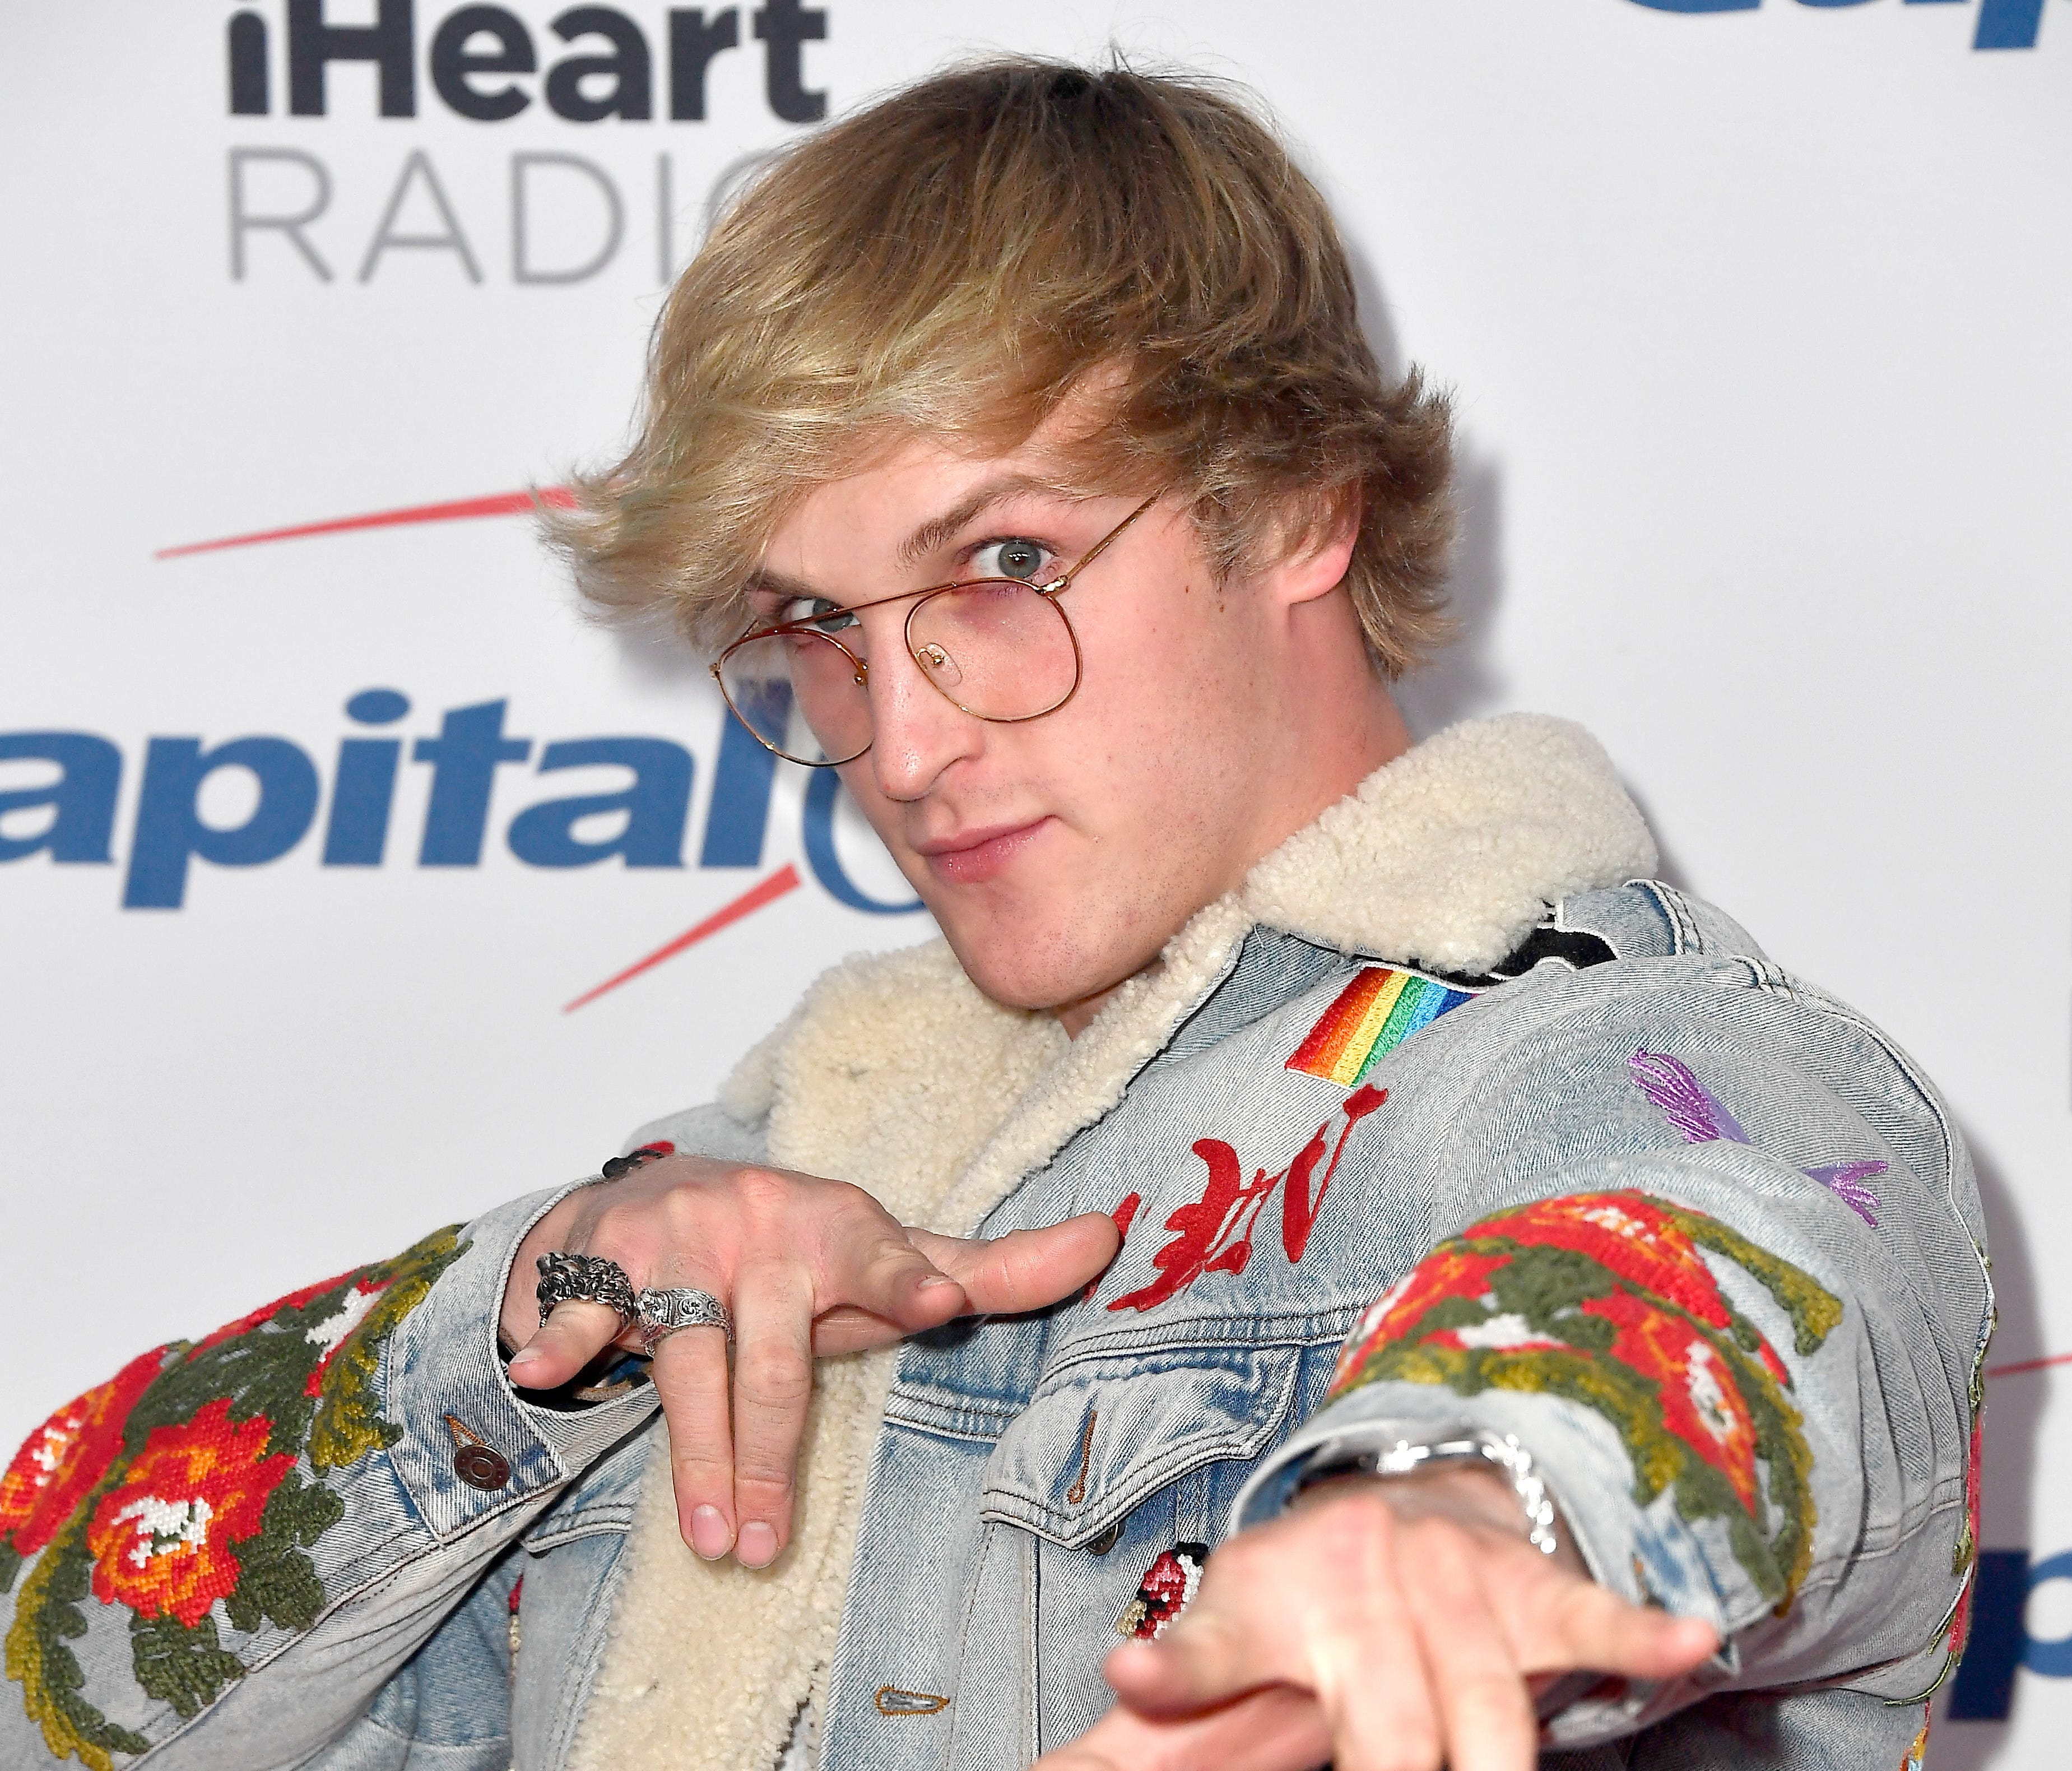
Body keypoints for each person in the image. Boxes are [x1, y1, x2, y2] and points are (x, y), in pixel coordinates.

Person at [1, 59, 1989, 1771]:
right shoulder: (770, 1186)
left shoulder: (1603, 1059)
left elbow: (1726, 1267)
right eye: (815, 625)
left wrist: (1448, 1508)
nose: (904, 736)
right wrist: (528, 1318)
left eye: (1004, 566)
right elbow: (39, 1672)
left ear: (1301, 502)